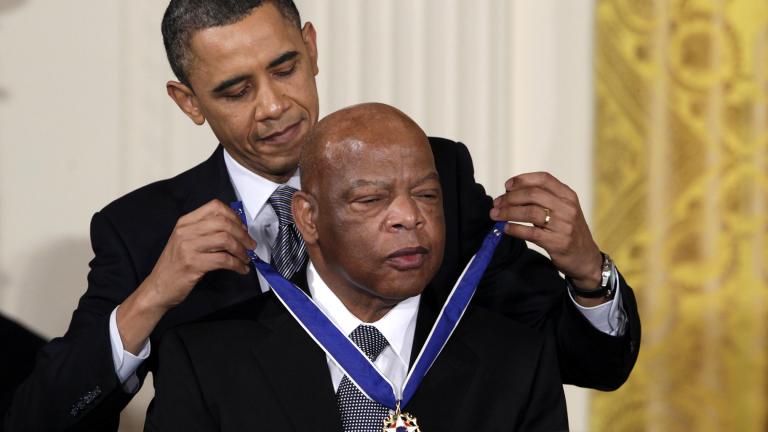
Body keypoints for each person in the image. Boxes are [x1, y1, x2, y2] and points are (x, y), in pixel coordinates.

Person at [4, 0, 639, 430]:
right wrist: (150, 299)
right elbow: (41, 419)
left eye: (284, 68)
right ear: (189, 101)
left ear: (311, 48)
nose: (275, 105)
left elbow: (582, 365)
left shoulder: (430, 176)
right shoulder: (144, 227)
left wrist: (590, 277)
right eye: (236, 88)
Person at [146, 102, 569, 432]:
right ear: (308, 218)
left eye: (426, 195)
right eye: (371, 200)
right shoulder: (206, 363)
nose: (408, 216)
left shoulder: (517, 362)